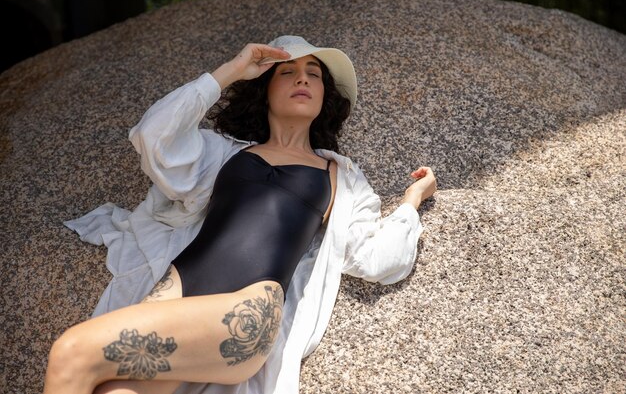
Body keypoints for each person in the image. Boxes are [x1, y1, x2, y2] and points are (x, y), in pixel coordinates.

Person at [44, 35, 437, 394]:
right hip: (177, 290)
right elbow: (153, 136)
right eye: (288, 71)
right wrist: (232, 70)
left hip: (246, 313)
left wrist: (412, 200)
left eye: (313, 74)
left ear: (323, 97)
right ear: (265, 89)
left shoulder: (340, 178)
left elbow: (376, 257)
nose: (302, 79)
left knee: (71, 352)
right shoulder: (223, 154)